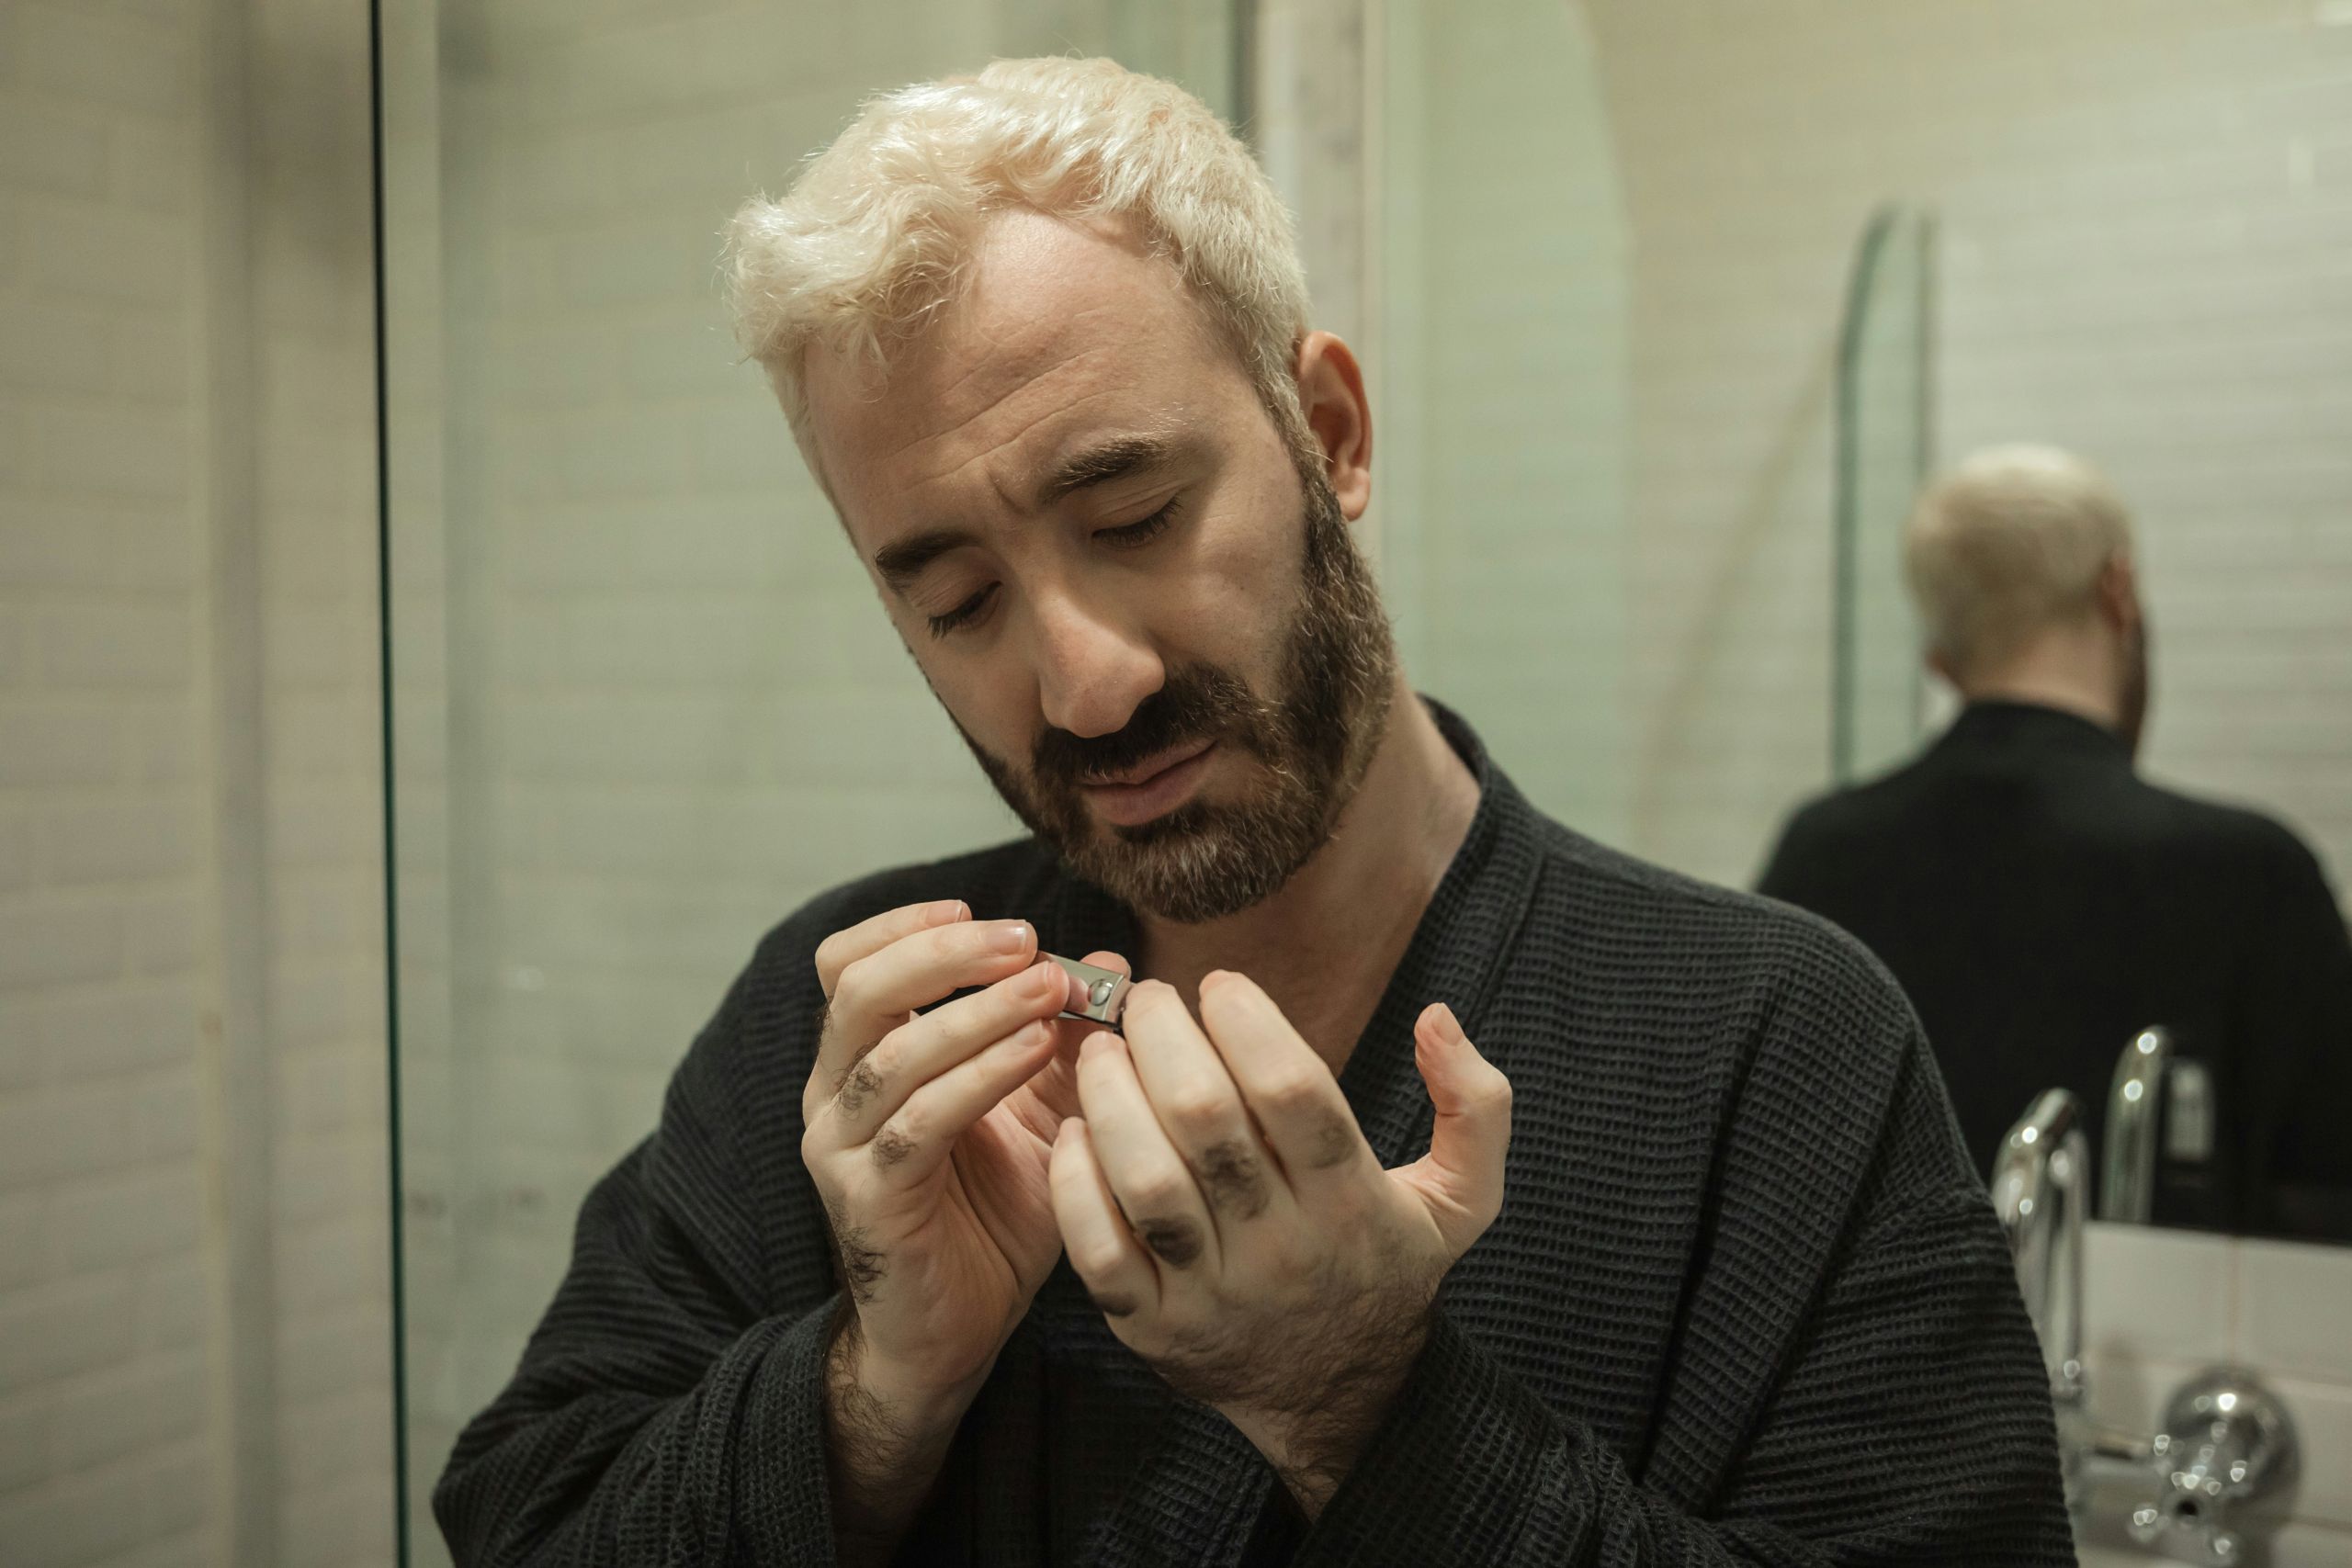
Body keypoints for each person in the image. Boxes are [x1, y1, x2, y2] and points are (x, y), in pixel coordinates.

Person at [435, 60, 2070, 1565]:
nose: (1082, 684)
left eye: (1133, 514)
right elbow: (537, 1519)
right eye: (956, 604)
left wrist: (1362, 1399)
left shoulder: (1771, 1047)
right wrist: (877, 1383)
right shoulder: (872, 1032)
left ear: (1331, 435)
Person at [1760, 445, 2352, 1240]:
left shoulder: (1820, 855)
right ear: (2119, 590)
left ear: (1940, 657)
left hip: (1875, 1361)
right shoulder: (2254, 877)